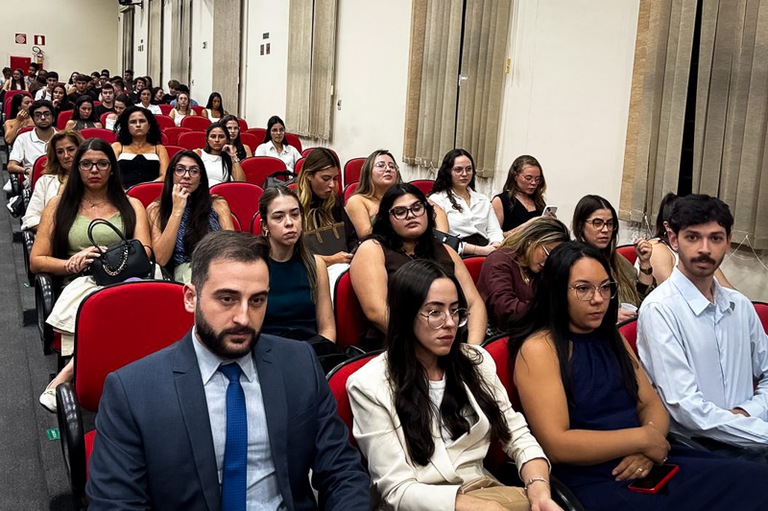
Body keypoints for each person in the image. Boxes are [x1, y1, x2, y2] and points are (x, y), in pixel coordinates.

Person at [85, 230, 370, 509]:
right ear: (190, 298)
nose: (244, 317)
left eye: (257, 300)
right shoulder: (133, 391)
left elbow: (342, 471)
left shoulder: (298, 363)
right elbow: (116, 503)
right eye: (227, 299)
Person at [510, 241, 768, 511]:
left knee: (756, 480)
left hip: (649, 461)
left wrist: (647, 447)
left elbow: (651, 405)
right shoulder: (539, 349)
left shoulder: (610, 336)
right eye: (583, 289)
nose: (598, 299)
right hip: (596, 477)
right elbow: (557, 444)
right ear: (556, 291)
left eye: (605, 288)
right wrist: (643, 439)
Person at [348, 259, 560, 511]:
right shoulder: (368, 384)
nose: (449, 322)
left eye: (455, 310)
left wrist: (539, 490)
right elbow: (397, 490)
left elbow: (516, 433)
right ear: (406, 315)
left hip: (485, 492)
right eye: (435, 312)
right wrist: (479, 507)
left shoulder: (475, 361)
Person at [637, 194, 768, 460]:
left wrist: (748, 412)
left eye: (716, 238)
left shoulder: (740, 306)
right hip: (697, 448)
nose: (705, 249)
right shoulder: (660, 310)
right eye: (693, 237)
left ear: (728, 242)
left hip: (751, 439)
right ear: (674, 240)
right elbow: (687, 410)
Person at [31, 138, 152, 412]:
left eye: (101, 164)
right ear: (77, 168)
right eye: (86, 164)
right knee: (112, 302)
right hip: (79, 280)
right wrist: (70, 263)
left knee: (131, 292)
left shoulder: (132, 205)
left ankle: (69, 373)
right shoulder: (57, 206)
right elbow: (36, 260)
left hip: (125, 277)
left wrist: (114, 253)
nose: (94, 170)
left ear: (112, 168)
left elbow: (145, 250)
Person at [350, 183, 487, 350]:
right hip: (398, 345)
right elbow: (377, 312)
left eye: (417, 208)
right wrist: (428, 344)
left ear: (427, 211)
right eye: (400, 212)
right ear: (387, 219)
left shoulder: (445, 250)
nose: (411, 215)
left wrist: (473, 350)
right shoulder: (373, 248)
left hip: (451, 344)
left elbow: (474, 304)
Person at [258, 186, 335, 341]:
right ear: (264, 225)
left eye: (295, 215)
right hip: (267, 352)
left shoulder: (316, 264)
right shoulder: (254, 266)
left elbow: (327, 328)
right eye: (278, 217)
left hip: (311, 351)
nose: (289, 223)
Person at [147, 150, 234, 283]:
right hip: (183, 274)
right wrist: (177, 210)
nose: (187, 176)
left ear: (201, 179)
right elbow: (160, 259)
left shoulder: (217, 204)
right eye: (180, 170)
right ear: (171, 175)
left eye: (194, 171)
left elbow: (231, 245)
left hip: (219, 268)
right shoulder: (156, 209)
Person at [477, 217, 570, 332]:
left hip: (533, 333)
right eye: (548, 253)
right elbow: (504, 310)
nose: (548, 262)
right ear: (531, 240)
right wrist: (550, 308)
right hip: (501, 336)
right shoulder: (499, 260)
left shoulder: (541, 269)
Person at [572, 195, 654, 322]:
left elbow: (642, 299)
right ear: (581, 225)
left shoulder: (617, 260)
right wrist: (609, 316)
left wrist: (644, 263)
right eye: (597, 223)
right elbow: (567, 310)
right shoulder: (572, 260)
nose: (605, 230)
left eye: (610, 224)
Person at [429, 149, 503, 256]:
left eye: (469, 169)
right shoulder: (438, 200)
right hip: (457, 251)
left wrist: (496, 245)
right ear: (448, 172)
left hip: (487, 248)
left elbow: (494, 231)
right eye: (458, 170)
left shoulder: (483, 200)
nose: (465, 174)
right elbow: (442, 239)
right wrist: (482, 251)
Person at [296, 147, 356, 266]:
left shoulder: (334, 202)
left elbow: (351, 239)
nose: (332, 185)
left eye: (335, 178)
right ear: (308, 175)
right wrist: (330, 260)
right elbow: (291, 256)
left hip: (341, 268)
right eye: (326, 179)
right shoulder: (293, 206)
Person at [22, 131, 83, 231]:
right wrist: (56, 232)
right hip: (55, 238)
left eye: (71, 150)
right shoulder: (45, 181)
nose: (66, 156)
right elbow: (31, 218)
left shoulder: (94, 179)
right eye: (60, 152)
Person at [344, 149, 403, 237]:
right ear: (368, 172)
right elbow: (366, 236)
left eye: (392, 166)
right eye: (381, 165)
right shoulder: (357, 200)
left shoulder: (403, 198)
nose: (388, 169)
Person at [112, 106, 170, 188]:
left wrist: (143, 189)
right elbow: (111, 174)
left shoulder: (159, 149)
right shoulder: (117, 147)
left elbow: (164, 176)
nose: (138, 125)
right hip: (122, 194)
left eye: (142, 121)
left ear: (149, 125)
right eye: (133, 122)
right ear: (127, 126)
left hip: (153, 193)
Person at [492, 155, 548, 237]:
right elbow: (495, 236)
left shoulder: (537, 200)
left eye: (537, 179)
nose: (533, 183)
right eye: (528, 178)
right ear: (515, 176)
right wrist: (528, 226)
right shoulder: (501, 200)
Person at [8, 100, 56, 184]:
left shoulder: (62, 138)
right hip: (34, 180)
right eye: (38, 115)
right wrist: (28, 171)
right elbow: (11, 166)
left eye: (47, 114)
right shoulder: (23, 138)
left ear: (53, 117)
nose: (43, 118)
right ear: (33, 119)